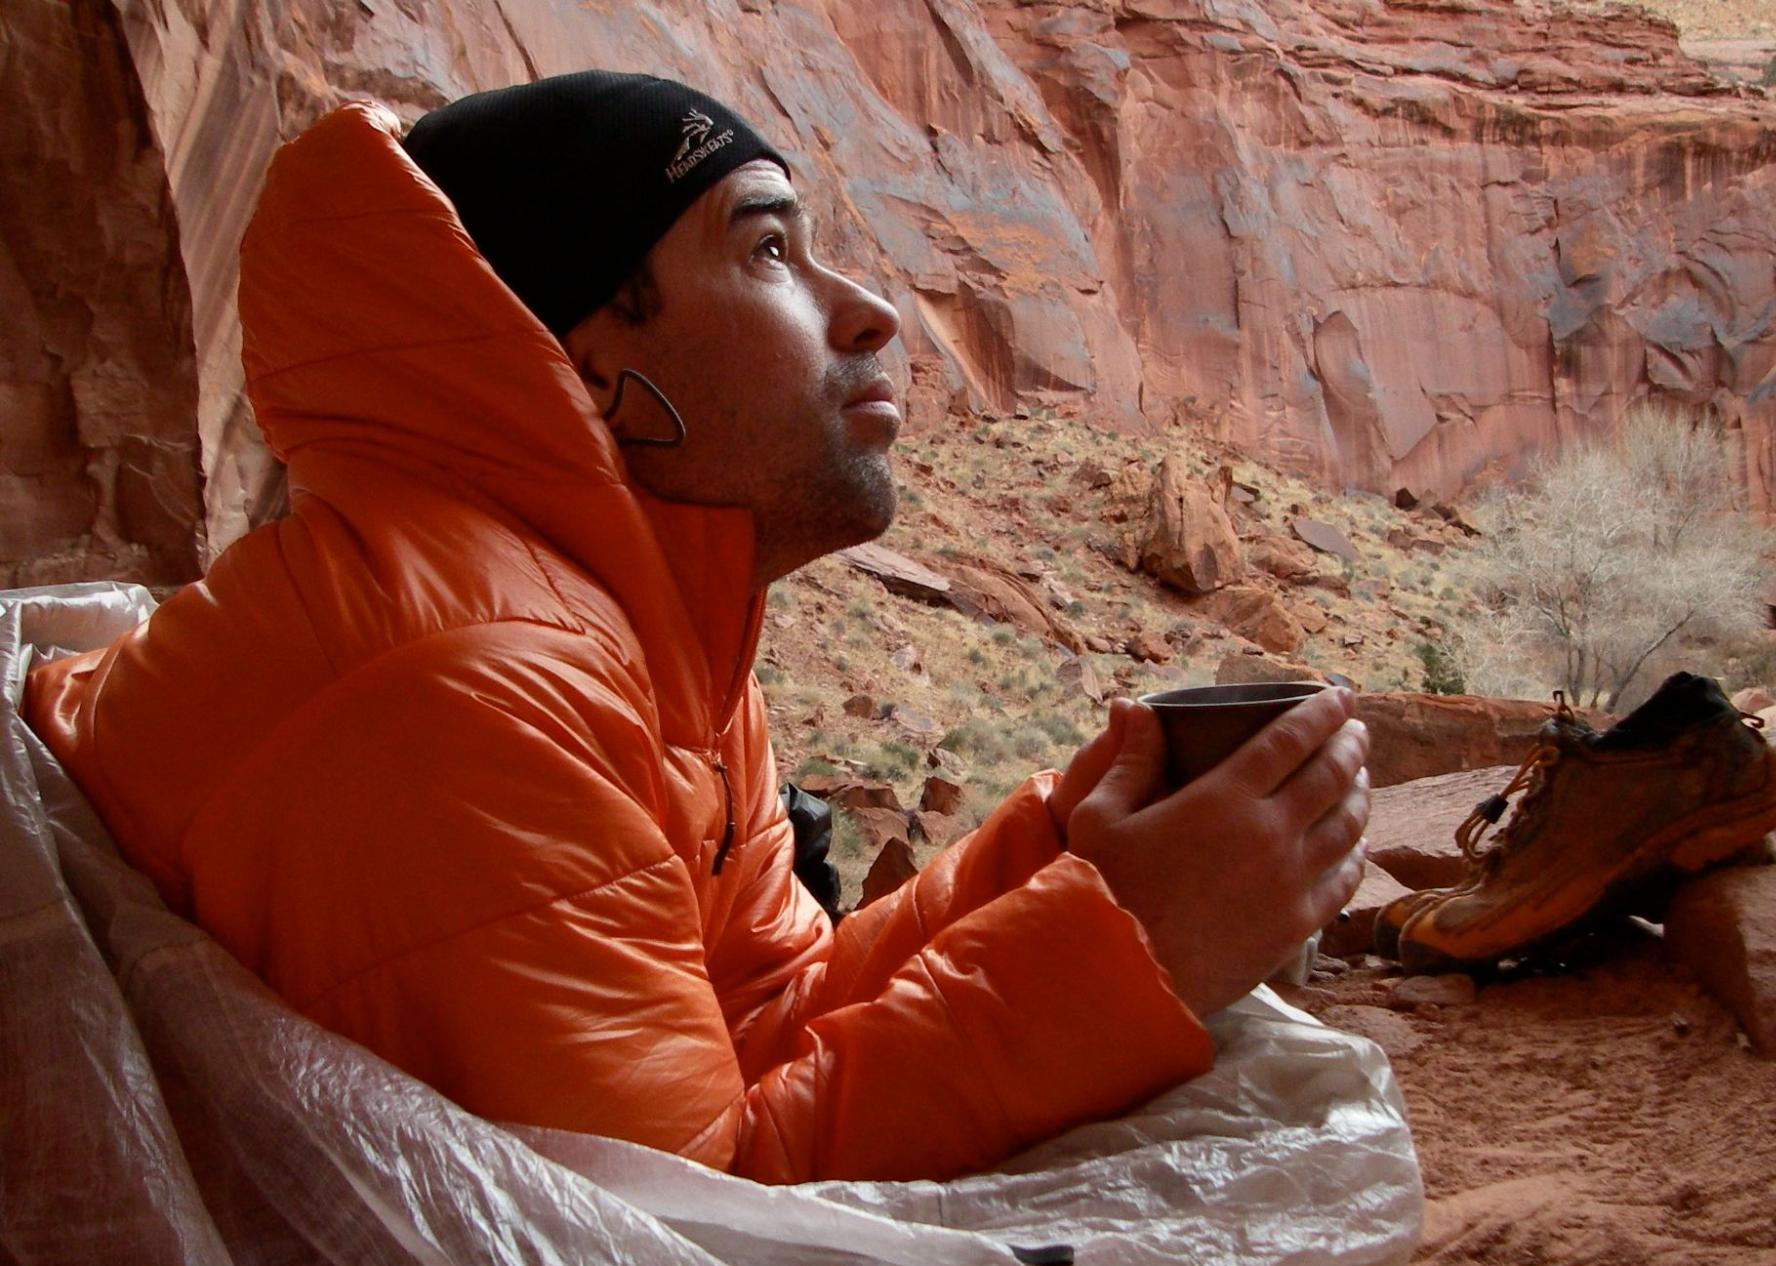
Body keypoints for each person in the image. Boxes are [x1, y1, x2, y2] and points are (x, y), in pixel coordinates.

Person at [23, 73, 1370, 1184]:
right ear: (598, 367)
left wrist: (1070, 847)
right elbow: (682, 1226)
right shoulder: (465, 688)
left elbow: (758, 1020)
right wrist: (1132, 948)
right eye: (771, 249)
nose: (871, 310)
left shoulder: (650, 628)